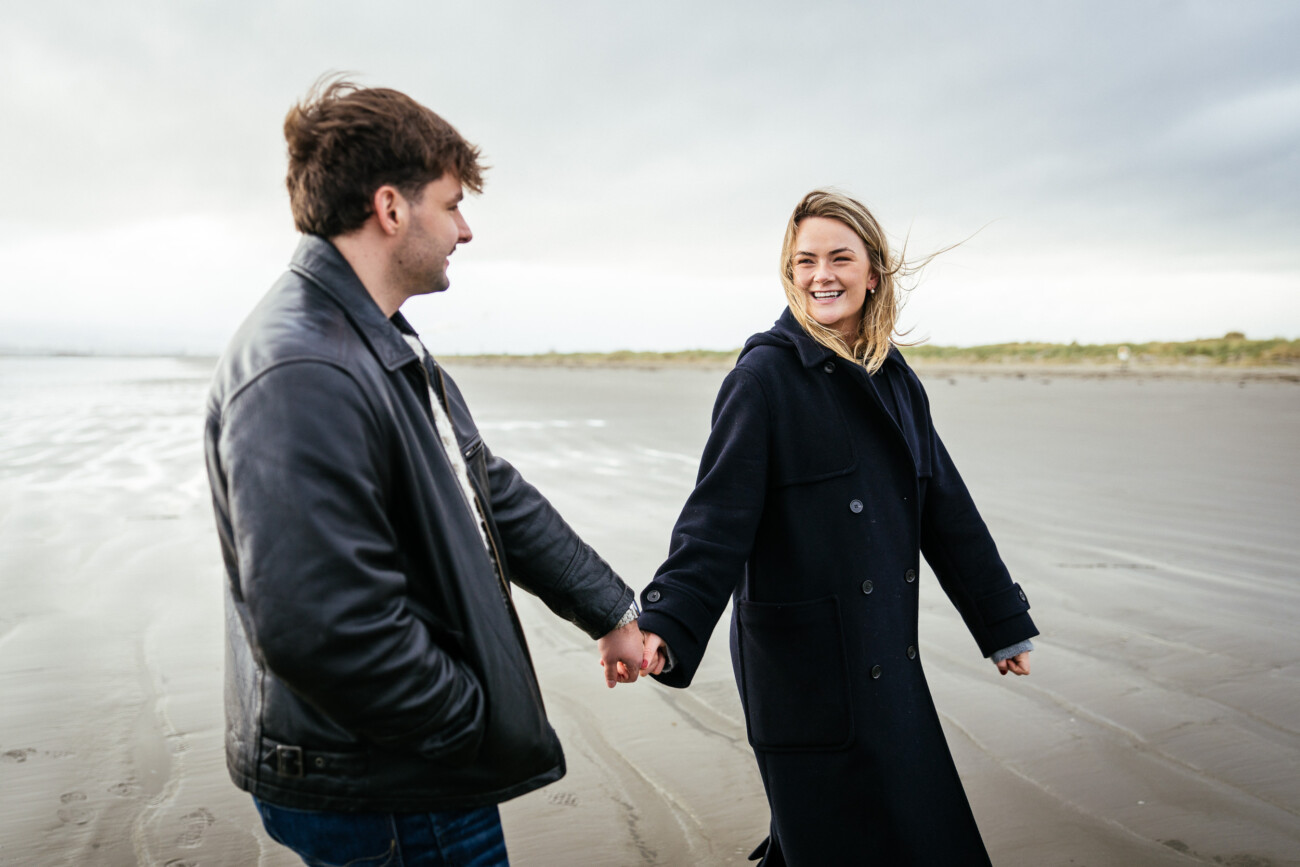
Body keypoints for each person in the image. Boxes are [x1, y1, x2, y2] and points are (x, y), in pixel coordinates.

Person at [203, 78, 645, 867]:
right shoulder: (305, 366)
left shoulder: (376, 339)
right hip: (393, 783)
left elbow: (488, 490)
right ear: (391, 207)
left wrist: (608, 608)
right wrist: (462, 724)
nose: (466, 229)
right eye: (451, 203)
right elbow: (320, 626)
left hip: (409, 768)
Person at [635, 189, 1038, 866]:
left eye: (839, 257)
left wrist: (1002, 621)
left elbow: (945, 507)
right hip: (802, 667)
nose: (821, 274)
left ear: (872, 271)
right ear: (789, 274)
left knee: (910, 830)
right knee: (836, 832)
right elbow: (716, 519)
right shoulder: (763, 377)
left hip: (885, 649)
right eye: (805, 261)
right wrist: (666, 625)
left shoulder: (895, 379)